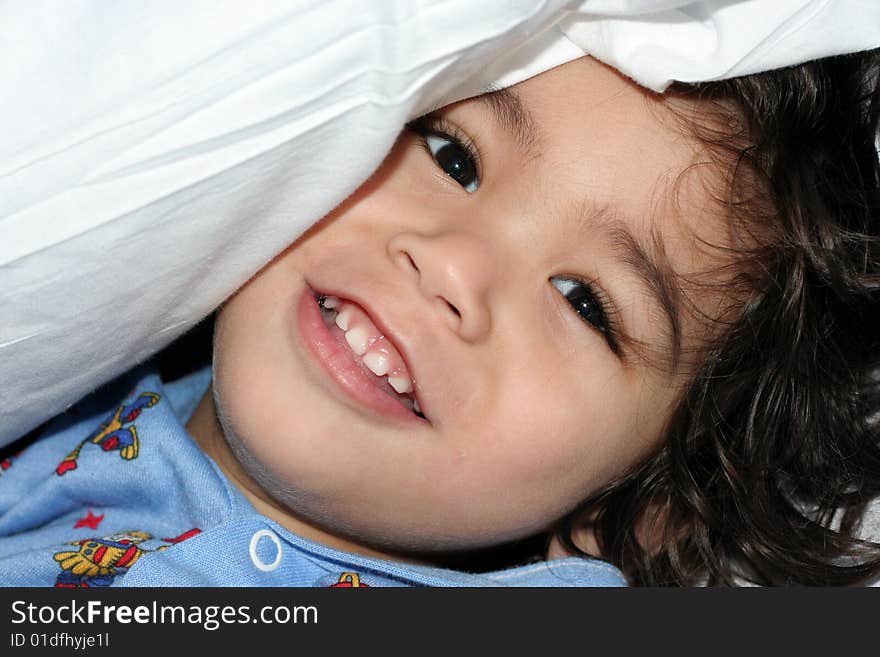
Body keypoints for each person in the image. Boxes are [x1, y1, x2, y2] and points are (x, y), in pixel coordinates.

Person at [1, 52, 878, 587]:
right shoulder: (73, 361)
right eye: (454, 156)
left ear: (648, 501)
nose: (454, 263)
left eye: (584, 304)